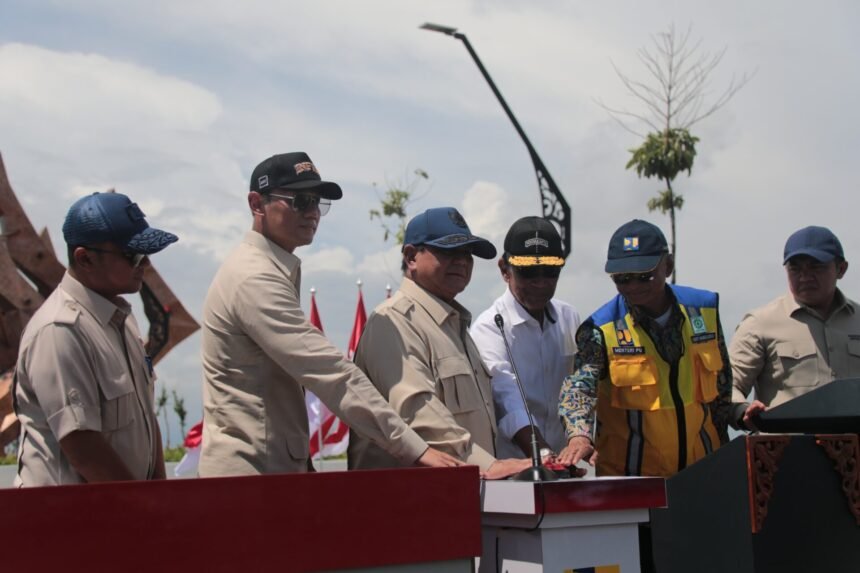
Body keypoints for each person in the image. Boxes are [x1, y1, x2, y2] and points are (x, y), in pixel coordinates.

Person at [199, 152, 461, 477]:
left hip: (268, 471)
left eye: (318, 202)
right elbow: (330, 372)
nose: (312, 212)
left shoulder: (268, 268)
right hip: (250, 478)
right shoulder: (254, 277)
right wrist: (416, 449)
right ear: (256, 203)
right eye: (300, 201)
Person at [347, 207, 531, 479]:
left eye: (467, 254)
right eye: (448, 252)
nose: (462, 262)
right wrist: (489, 466)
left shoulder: (454, 325)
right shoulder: (394, 321)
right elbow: (418, 412)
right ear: (411, 257)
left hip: (461, 496)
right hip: (405, 505)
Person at [14, 192, 176, 486]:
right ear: (85, 258)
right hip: (67, 523)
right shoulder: (60, 330)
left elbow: (147, 419)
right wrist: (142, 511)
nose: (145, 264)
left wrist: (159, 500)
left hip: (117, 516)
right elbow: (83, 447)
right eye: (133, 255)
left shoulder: (121, 323)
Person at [557, 219, 733, 478]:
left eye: (644, 276)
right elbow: (578, 390)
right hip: (633, 483)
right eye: (622, 279)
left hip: (703, 474)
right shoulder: (599, 329)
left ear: (668, 266)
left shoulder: (704, 310)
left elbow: (722, 390)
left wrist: (738, 417)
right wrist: (580, 436)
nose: (633, 287)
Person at [471, 216, 581, 461]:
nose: (540, 282)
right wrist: (541, 452)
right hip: (515, 471)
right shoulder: (488, 328)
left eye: (550, 272)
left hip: (567, 466)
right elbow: (506, 397)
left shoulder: (569, 317)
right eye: (528, 272)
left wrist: (579, 439)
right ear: (504, 270)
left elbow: (579, 387)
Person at [730, 226, 860, 429]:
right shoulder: (760, 323)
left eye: (816, 267)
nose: (805, 276)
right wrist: (742, 411)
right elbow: (727, 385)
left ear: (841, 269)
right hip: (786, 455)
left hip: (854, 454)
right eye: (795, 268)